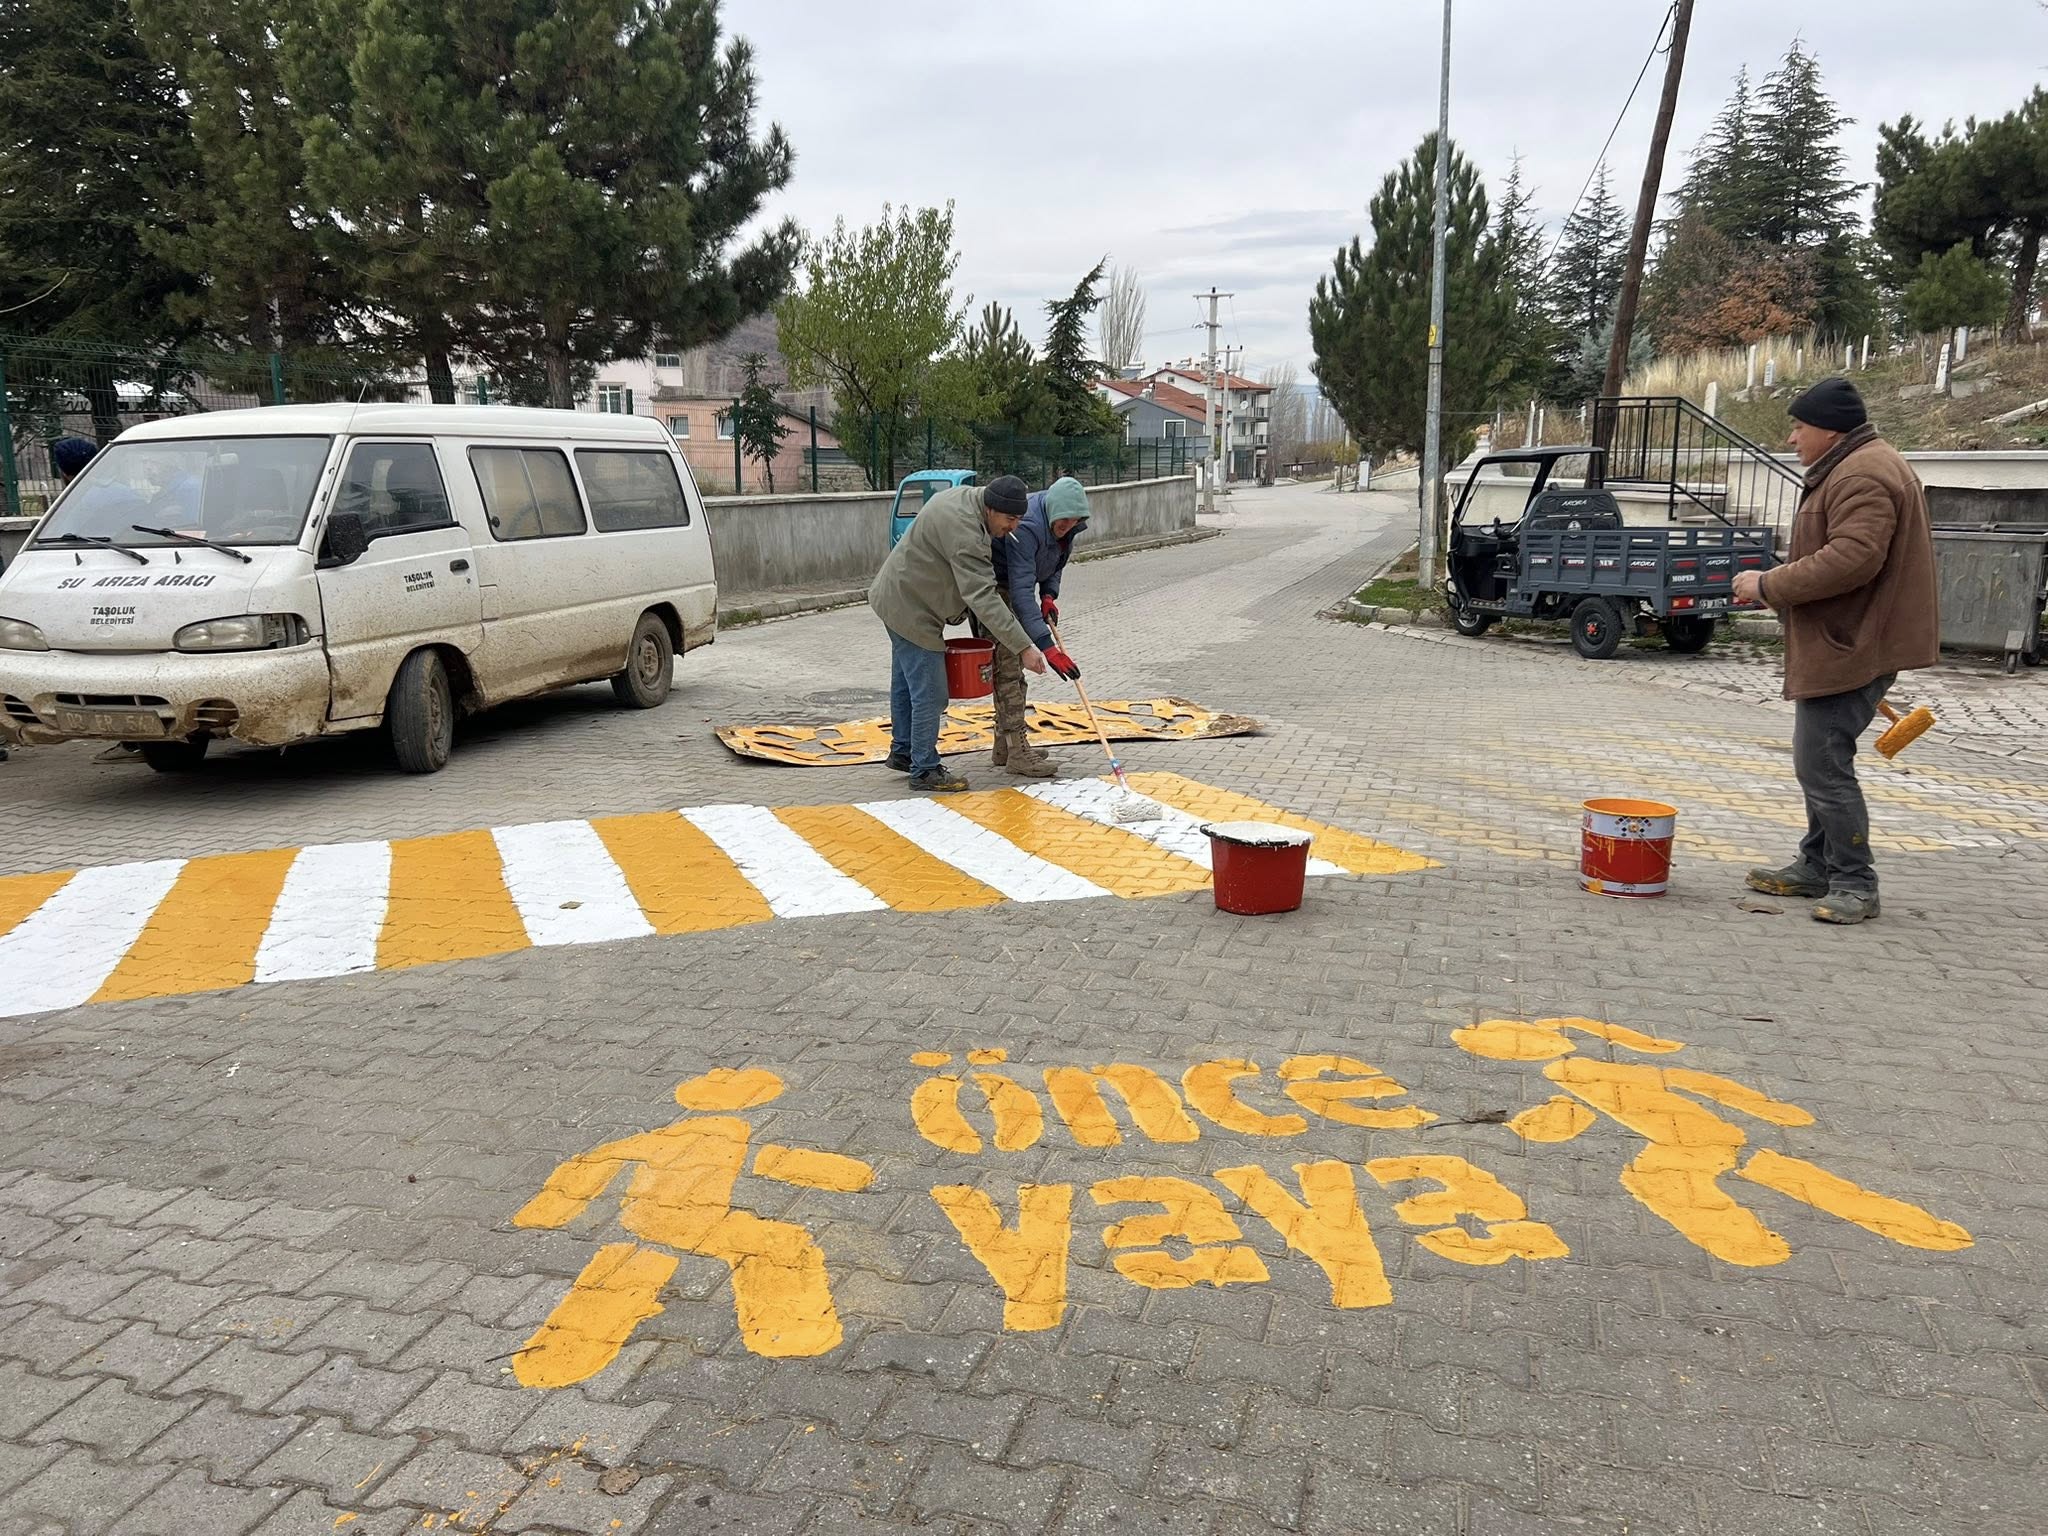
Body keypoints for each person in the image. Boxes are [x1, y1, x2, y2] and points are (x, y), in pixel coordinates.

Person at [1731, 378, 1937, 925]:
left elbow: (1852, 558)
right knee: (1821, 759)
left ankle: (1854, 880)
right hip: (1849, 637)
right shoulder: (1858, 464)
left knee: (1820, 762)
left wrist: (1769, 584)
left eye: (1799, 426)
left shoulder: (1864, 471)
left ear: (1830, 429)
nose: (1792, 436)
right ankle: (1816, 864)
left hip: (1853, 641)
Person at [868, 475, 1078, 793]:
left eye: (1020, 520)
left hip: (898, 594)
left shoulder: (969, 499)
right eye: (1009, 519)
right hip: (913, 609)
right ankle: (924, 769)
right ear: (991, 509)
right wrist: (1024, 647)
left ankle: (904, 751)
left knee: (906, 683)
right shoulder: (967, 533)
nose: (1013, 528)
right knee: (930, 692)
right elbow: (983, 597)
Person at [983, 476, 1091, 778]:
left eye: (1072, 523)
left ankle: (1003, 746)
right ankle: (1017, 751)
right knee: (1007, 668)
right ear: (1053, 511)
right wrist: (1047, 646)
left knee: (1011, 669)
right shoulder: (1028, 526)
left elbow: (1055, 562)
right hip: (994, 589)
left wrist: (1048, 594)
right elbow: (1019, 592)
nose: (1066, 527)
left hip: (1014, 588)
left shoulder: (1067, 523)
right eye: (1063, 522)